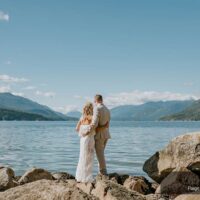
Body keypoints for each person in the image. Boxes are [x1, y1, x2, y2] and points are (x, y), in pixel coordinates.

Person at [75, 102, 108, 182]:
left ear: (84, 109)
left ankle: (80, 176)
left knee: (82, 157)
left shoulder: (82, 117)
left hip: (83, 140)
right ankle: (87, 177)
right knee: (89, 158)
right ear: (92, 109)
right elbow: (95, 129)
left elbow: (77, 129)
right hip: (90, 140)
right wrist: (104, 126)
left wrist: (83, 132)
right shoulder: (92, 118)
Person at [87, 94, 111, 175]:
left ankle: (103, 173)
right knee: (101, 154)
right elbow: (108, 124)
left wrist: (87, 131)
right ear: (102, 100)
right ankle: (101, 173)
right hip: (106, 134)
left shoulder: (97, 108)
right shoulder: (107, 109)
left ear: (95, 100)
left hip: (99, 135)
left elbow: (94, 124)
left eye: (94, 101)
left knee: (100, 154)